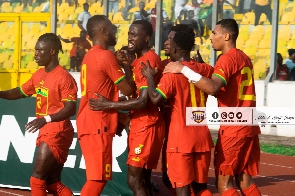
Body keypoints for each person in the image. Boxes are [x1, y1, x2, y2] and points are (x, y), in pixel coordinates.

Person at [163, 19, 262, 196]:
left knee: (224, 183)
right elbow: (224, 90)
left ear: (226, 36)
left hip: (234, 126)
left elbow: (212, 87)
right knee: (245, 180)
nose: (211, 37)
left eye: (214, 33)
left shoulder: (227, 59)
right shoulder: (243, 57)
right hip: (250, 122)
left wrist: (184, 70)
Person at [88, 19, 165, 196]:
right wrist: (126, 67)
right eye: (130, 33)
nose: (130, 38)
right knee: (143, 180)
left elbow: (144, 101)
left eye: (135, 34)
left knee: (134, 180)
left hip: (147, 125)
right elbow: (134, 92)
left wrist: (107, 104)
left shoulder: (149, 59)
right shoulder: (138, 61)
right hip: (140, 123)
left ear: (146, 38)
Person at [0, 33, 78, 195]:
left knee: (36, 180)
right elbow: (20, 92)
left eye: (39, 50)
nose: (35, 54)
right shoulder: (39, 75)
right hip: (47, 130)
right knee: (53, 184)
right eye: (35, 50)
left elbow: (70, 108)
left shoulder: (64, 77)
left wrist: (46, 119)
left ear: (52, 51)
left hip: (57, 132)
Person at [141, 24, 214, 196]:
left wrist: (150, 78)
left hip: (180, 140)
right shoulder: (204, 69)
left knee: (181, 188)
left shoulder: (172, 74)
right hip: (202, 138)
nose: (166, 42)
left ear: (176, 46)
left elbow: (155, 98)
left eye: (169, 40)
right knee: (201, 188)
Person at [76, 15, 134, 196]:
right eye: (112, 28)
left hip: (90, 120)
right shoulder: (105, 55)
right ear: (103, 31)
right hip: (97, 123)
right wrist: (128, 67)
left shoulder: (90, 55)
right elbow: (129, 89)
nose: (115, 30)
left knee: (96, 177)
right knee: (98, 179)